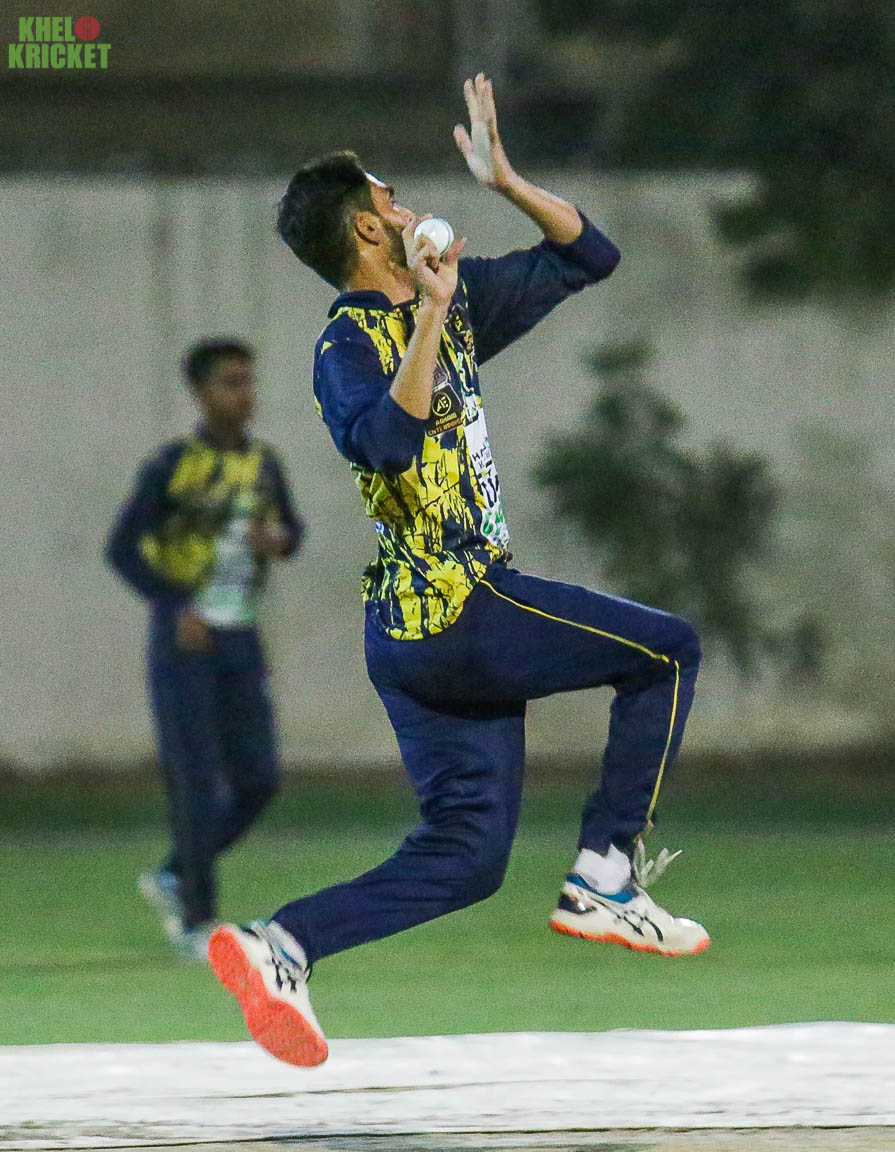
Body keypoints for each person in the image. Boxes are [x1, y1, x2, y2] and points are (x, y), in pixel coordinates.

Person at [208, 74, 707, 1066]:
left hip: (417, 637)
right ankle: (605, 875)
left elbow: (589, 254)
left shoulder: (458, 300)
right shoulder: (347, 341)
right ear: (366, 230)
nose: (406, 209)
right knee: (666, 652)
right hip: (456, 607)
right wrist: (431, 313)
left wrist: (508, 183)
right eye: (388, 200)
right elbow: (386, 446)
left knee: (468, 856)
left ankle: (282, 945)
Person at [106, 338, 304, 960]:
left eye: (249, 381)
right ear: (199, 392)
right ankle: (198, 921)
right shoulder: (174, 465)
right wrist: (174, 605)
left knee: (259, 779)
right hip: (185, 641)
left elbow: (292, 533)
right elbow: (121, 547)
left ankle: (174, 874)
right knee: (194, 778)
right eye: (229, 382)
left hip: (241, 634)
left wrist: (277, 539)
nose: (244, 394)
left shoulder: (265, 463)